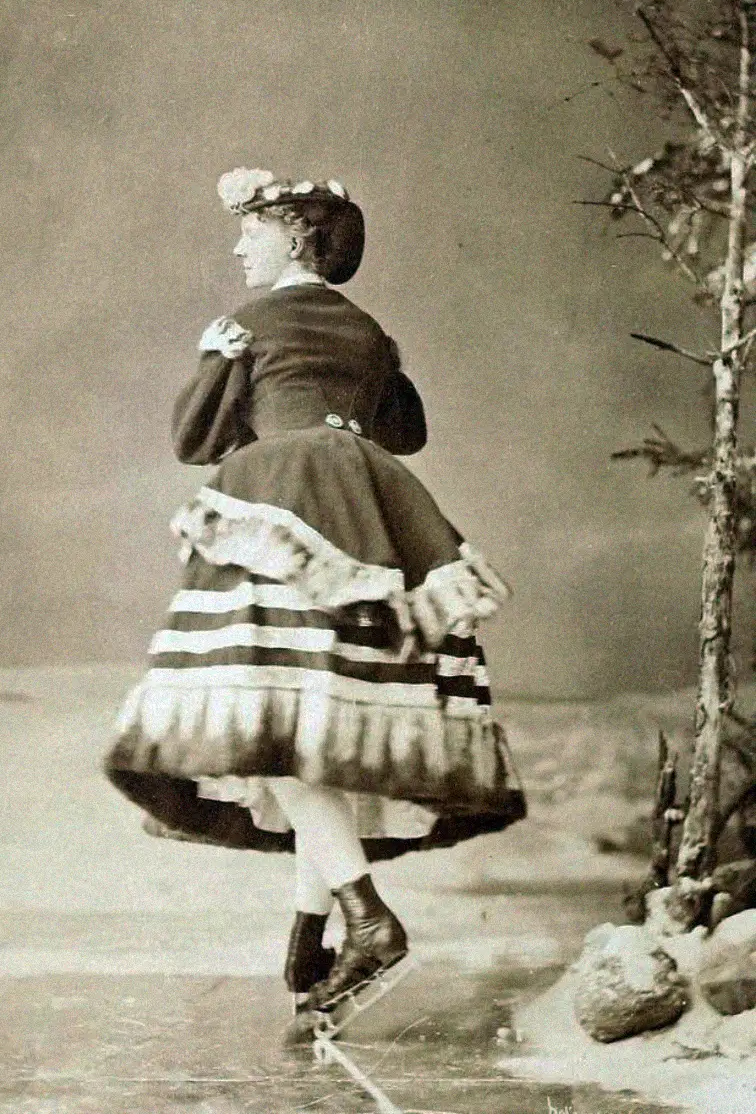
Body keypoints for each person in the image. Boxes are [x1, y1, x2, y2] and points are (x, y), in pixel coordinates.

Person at [105, 167, 526, 1032]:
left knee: (275, 731)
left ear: (296, 235)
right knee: (319, 724)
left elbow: (194, 439)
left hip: (282, 500)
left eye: (251, 231)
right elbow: (404, 432)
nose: (237, 245)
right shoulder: (370, 332)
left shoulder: (248, 323)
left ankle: (366, 918)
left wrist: (234, 365)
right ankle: (311, 932)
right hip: (372, 505)